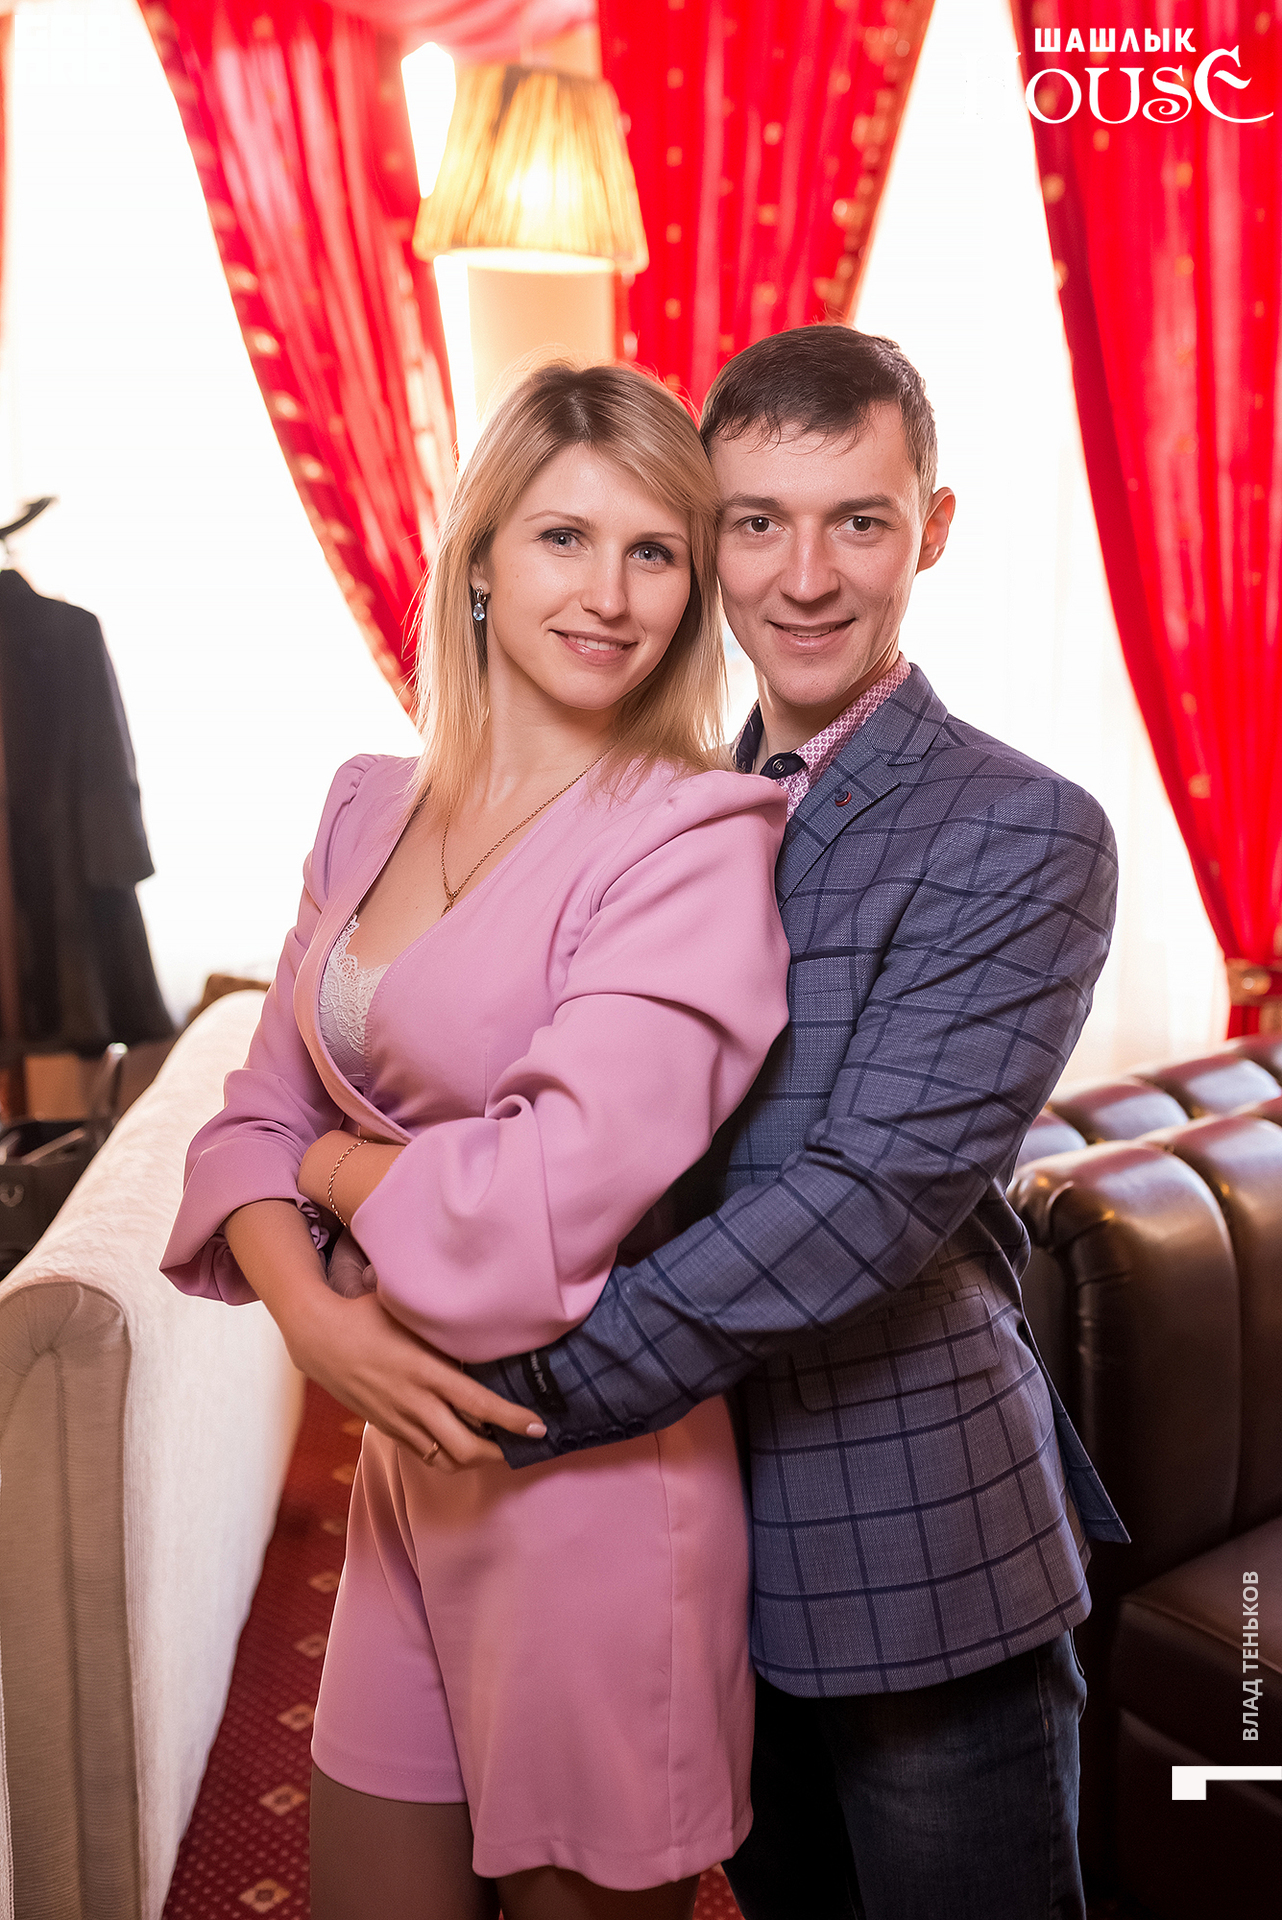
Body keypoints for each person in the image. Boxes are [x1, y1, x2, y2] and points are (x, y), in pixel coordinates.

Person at [416, 327, 1129, 1920]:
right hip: (683, 1525)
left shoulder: (1021, 827)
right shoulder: (661, 807)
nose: (804, 578)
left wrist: (523, 1396)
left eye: (856, 522)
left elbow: (860, 1201)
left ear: (928, 531)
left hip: (908, 1531)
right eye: (756, 523)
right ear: (707, 540)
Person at [161, 362, 795, 1920]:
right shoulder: (365, 803)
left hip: (582, 1481)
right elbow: (248, 1112)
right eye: (566, 538)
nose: (610, 595)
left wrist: (324, 1177)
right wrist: (316, 1322)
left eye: (655, 553)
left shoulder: (696, 835)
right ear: (483, 559)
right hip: (401, 1466)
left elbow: (531, 1210)